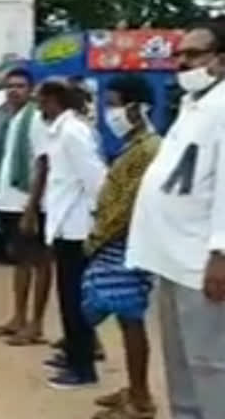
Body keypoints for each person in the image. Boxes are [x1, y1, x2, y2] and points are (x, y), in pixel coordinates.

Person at [126, 21, 225, 419]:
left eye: (194, 54)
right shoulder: (193, 106)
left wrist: (221, 252)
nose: (183, 63)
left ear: (220, 60)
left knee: (211, 367)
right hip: (170, 259)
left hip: (200, 262)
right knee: (180, 369)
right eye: (179, 55)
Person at [79, 75, 159, 419]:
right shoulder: (134, 145)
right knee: (124, 320)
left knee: (130, 319)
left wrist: (97, 238)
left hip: (125, 244)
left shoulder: (147, 150)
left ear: (136, 108)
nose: (109, 112)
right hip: (118, 241)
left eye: (114, 104)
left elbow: (128, 205)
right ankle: (134, 388)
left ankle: (141, 400)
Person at [37, 80, 106, 389]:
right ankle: (74, 354)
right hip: (65, 226)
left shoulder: (72, 132)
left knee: (75, 299)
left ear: (53, 100)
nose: (39, 106)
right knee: (69, 297)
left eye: (41, 100)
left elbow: (96, 180)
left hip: (77, 228)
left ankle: (83, 368)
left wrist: (97, 220)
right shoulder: (61, 131)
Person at [0, 69, 52, 346]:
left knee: (40, 263)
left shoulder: (35, 119)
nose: (14, 91)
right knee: (19, 261)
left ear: (31, 90)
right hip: (8, 202)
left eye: (21, 86)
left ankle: (35, 323)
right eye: (10, 86)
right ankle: (18, 317)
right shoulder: (9, 121)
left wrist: (31, 208)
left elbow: (42, 164)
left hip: (29, 204)